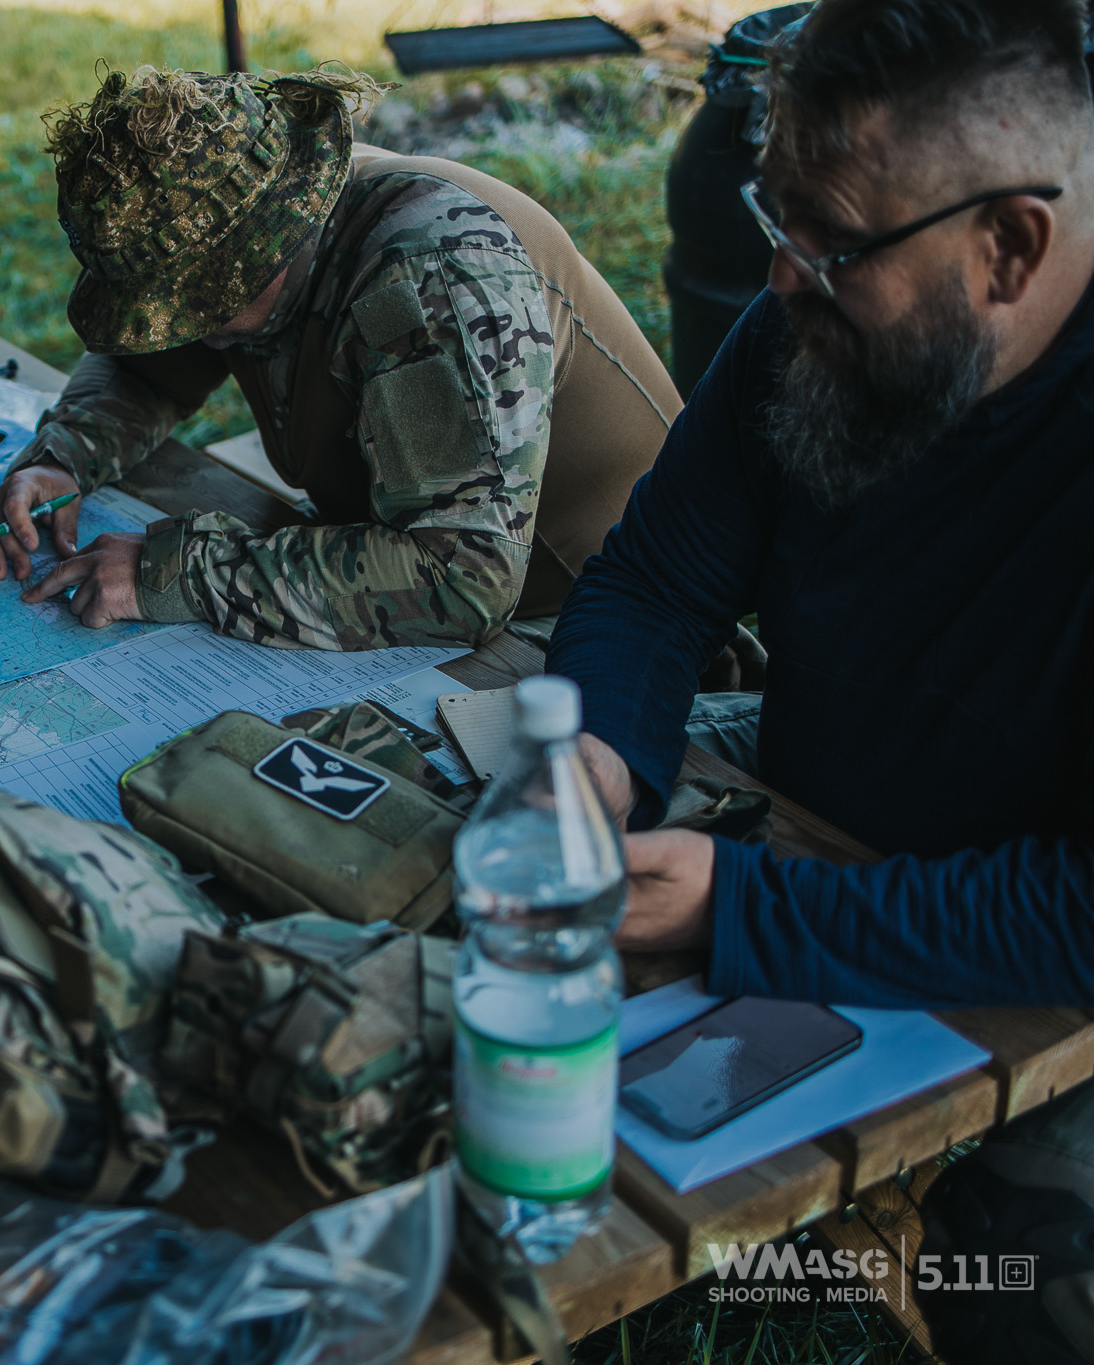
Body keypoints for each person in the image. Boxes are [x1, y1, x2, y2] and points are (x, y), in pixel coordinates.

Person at [538, 2, 1094, 1358]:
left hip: (1043, 957)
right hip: (812, 827)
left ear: (1011, 246)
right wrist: (603, 756)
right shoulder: (822, 311)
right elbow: (657, 579)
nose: (777, 278)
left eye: (827, 239)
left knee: (1016, 1276)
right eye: (770, 211)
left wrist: (743, 907)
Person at [0, 64, 681, 648]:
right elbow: (146, 368)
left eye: (189, 306)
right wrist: (62, 457)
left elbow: (461, 579)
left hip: (591, 616)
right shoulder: (256, 212)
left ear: (259, 255)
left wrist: (177, 572)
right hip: (444, 572)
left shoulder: (429, 283)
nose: (175, 328)